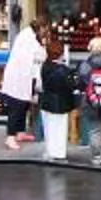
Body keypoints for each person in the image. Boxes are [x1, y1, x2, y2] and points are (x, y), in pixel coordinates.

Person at [0, 16, 43, 150]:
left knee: (23, 105)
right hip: (18, 77)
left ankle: (20, 132)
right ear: (40, 28)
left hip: (24, 77)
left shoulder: (30, 36)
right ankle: (10, 137)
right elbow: (34, 54)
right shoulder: (27, 37)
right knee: (16, 107)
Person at [35, 31, 80, 163]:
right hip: (60, 103)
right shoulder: (63, 70)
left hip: (46, 101)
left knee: (49, 129)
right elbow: (71, 86)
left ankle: (50, 152)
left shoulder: (44, 67)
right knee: (60, 129)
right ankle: (59, 154)